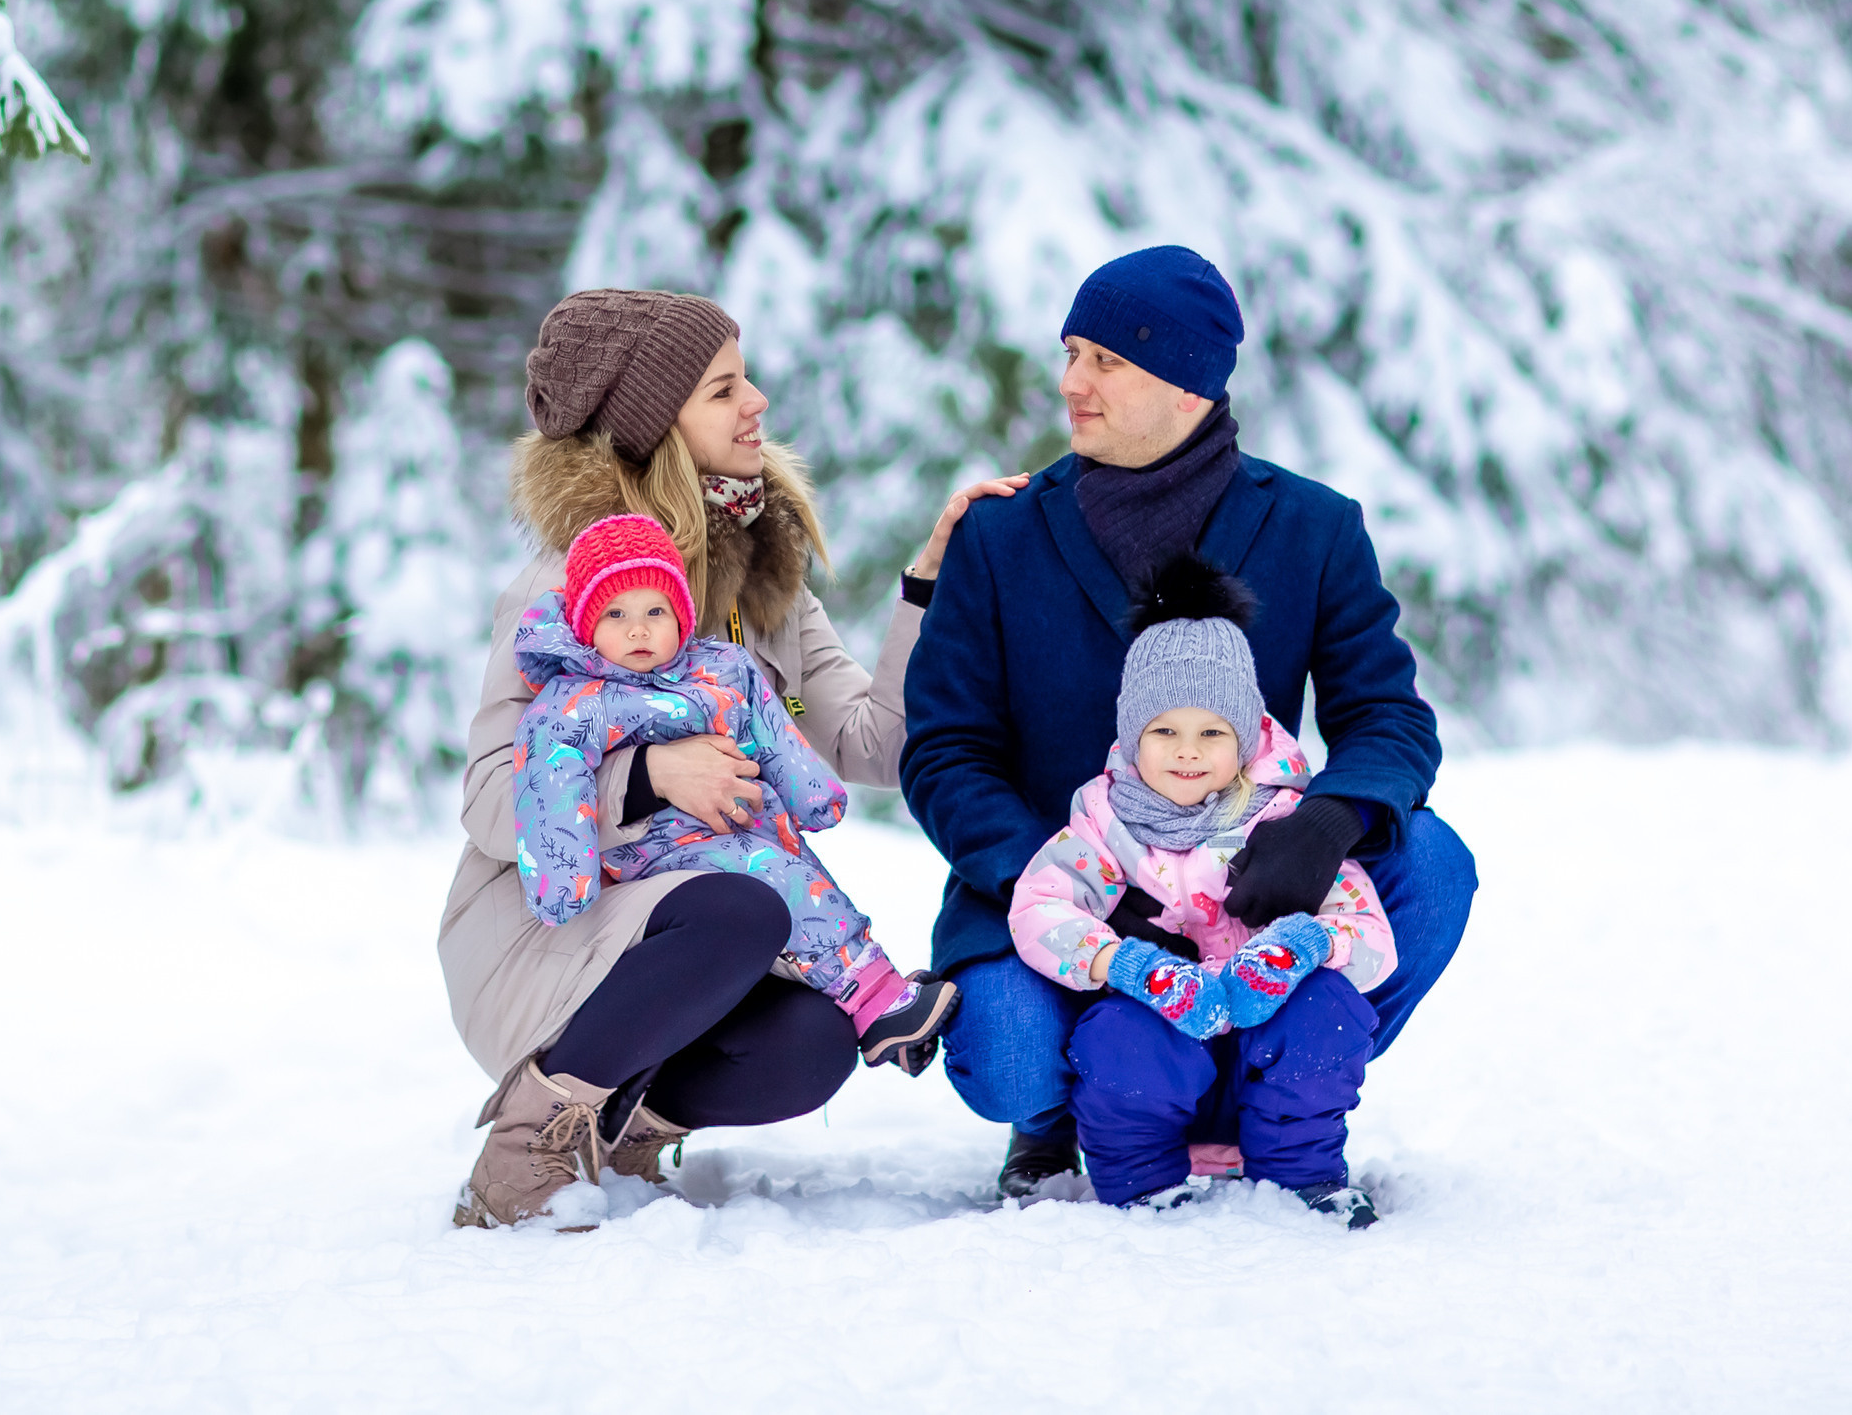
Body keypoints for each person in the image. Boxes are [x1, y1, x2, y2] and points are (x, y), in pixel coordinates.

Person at [901, 244, 1476, 1200]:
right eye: (1070, 351)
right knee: (1006, 1056)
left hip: (1241, 887)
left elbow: (1388, 717)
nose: (1070, 382)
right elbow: (946, 752)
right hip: (1062, 888)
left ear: (1186, 385)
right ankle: (1062, 1111)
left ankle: (1271, 1090)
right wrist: (1079, 882)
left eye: (1105, 361)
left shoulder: (1313, 526)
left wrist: (1325, 825)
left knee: (1436, 861)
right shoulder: (1000, 536)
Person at [442, 288, 1022, 1230]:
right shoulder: (575, 587)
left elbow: (869, 743)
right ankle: (528, 1143)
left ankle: (622, 1127)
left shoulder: (760, 579)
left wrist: (932, 591)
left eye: (744, 378)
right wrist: (652, 776)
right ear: (655, 427)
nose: (756, 402)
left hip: (698, 931)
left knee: (816, 1039)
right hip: (551, 933)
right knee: (746, 906)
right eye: (722, 390)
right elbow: (489, 804)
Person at [1007, 556, 1393, 1224]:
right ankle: (1140, 1179)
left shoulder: (1280, 818)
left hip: (1262, 1059)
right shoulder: (1107, 822)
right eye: (1164, 732)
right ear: (1134, 734)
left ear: (1244, 736)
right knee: (1115, 1033)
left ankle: (1304, 1174)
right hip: (1162, 1059)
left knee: (1327, 1006)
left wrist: (1305, 943)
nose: (1187, 751)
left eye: (1212, 732)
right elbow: (1040, 904)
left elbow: (1370, 934)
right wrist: (1122, 961)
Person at [504, 512, 956, 1071]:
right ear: (585, 624)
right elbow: (549, 784)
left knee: (801, 874)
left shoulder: (722, 667)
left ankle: (871, 1004)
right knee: (773, 874)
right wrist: (563, 878)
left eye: (654, 612)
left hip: (742, 825)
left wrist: (811, 791)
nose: (638, 630)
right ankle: (874, 995)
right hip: (653, 850)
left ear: (681, 616)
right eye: (615, 614)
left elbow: (771, 729)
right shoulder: (576, 701)